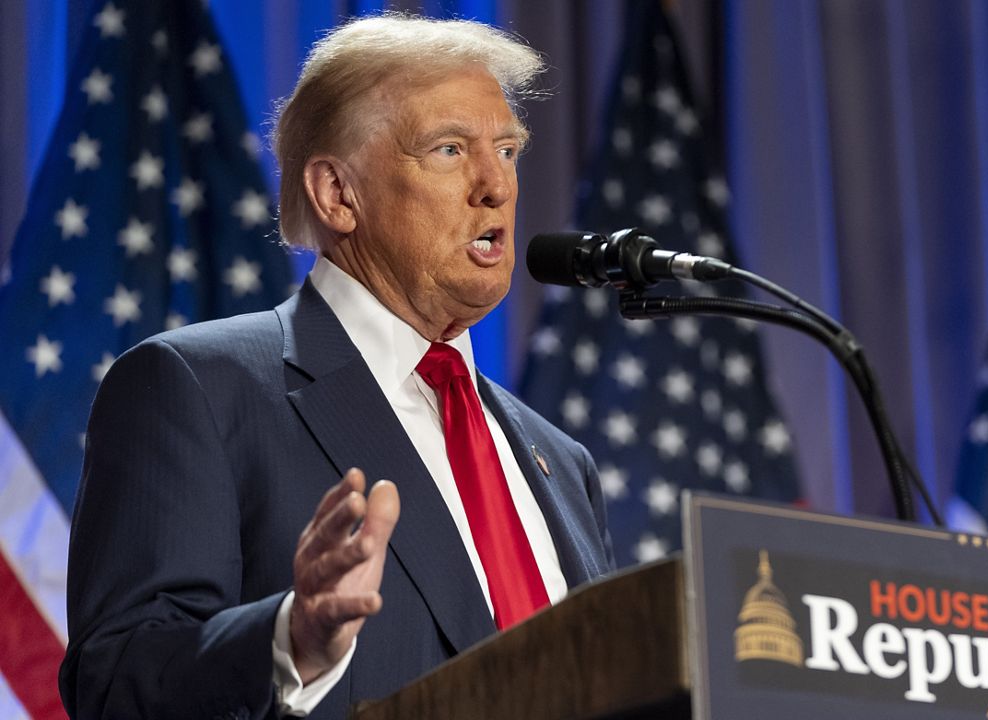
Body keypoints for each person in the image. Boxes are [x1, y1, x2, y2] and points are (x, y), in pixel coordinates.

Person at [59, 15, 614, 719]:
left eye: (507, 150)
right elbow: (117, 682)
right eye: (450, 149)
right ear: (337, 195)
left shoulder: (560, 464)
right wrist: (293, 638)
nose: (495, 186)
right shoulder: (195, 389)